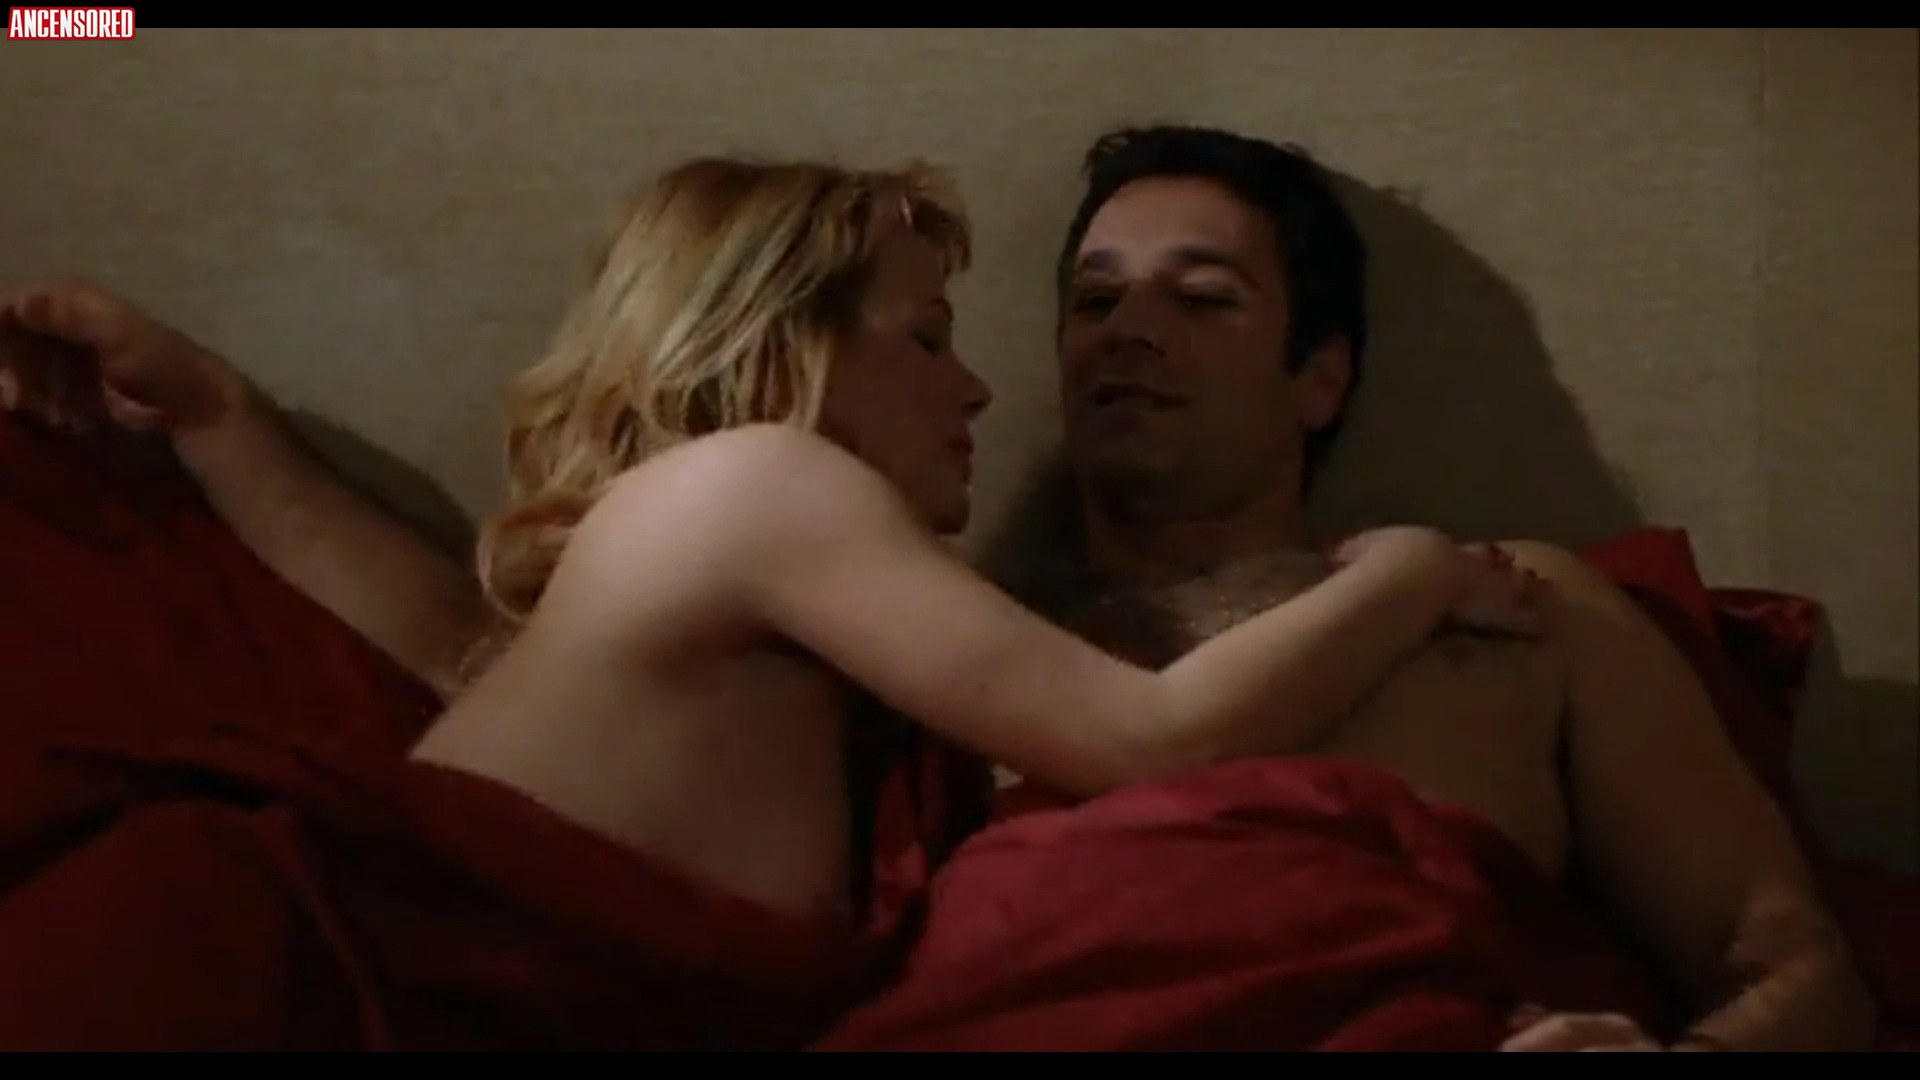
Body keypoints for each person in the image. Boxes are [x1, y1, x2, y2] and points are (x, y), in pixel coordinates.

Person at [0, 159, 1537, 956]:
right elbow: (1151, 741)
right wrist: (1404, 573)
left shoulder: (760, 600)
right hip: (250, 981)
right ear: (777, 342)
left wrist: (219, 418)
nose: (980, 390)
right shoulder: (759, 485)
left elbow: (456, 660)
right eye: (927, 335)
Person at [979, 124, 1875, 1052]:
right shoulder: (965, 654)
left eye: (1203, 299)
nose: (1126, 330)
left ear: (1321, 380)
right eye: (1095, 300)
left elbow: (1801, 971)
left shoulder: (1521, 612)